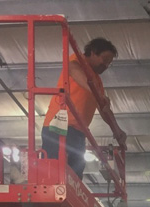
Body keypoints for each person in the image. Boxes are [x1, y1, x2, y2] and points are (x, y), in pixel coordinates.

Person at [41, 37, 126, 179]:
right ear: (93, 53)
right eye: (104, 59)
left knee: (76, 174)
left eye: (109, 63)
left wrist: (117, 130)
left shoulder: (97, 81)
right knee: (54, 170)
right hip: (58, 125)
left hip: (78, 131)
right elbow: (74, 70)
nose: (105, 65)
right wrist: (96, 93)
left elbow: (103, 108)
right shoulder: (77, 61)